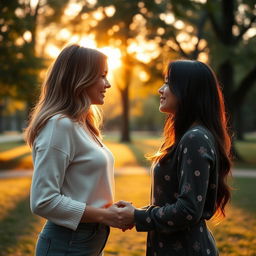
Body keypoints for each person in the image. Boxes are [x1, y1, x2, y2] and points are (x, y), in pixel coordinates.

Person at [116, 60, 232, 255]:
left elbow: (188, 210)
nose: (161, 90)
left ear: (189, 90)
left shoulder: (195, 138)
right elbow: (172, 200)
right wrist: (137, 214)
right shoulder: (186, 136)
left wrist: (137, 216)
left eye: (168, 83)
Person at [25, 44, 126, 256]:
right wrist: (103, 215)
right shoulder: (58, 125)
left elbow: (83, 188)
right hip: (68, 242)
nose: (107, 84)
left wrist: (108, 210)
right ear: (79, 79)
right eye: (102, 76)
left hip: (87, 239)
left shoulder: (83, 125)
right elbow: (43, 201)